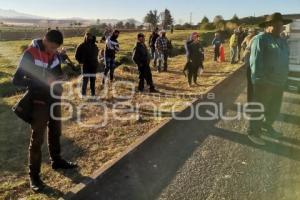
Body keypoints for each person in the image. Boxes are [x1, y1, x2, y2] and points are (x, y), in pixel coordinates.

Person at [12, 30, 78, 192]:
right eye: (51, 48)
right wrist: (40, 82)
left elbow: (57, 74)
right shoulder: (30, 54)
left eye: (56, 49)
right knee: (37, 139)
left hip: (55, 97)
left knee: (56, 131)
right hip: (39, 101)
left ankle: (57, 160)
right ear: (45, 40)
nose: (53, 52)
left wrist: (60, 79)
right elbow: (17, 80)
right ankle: (34, 176)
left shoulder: (55, 55)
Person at [247, 12, 292, 145]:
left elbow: (285, 60)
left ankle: (267, 126)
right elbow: (255, 61)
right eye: (277, 25)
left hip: (279, 82)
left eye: (281, 25)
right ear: (268, 26)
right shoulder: (260, 39)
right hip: (265, 83)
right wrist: (259, 81)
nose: (280, 27)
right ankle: (253, 132)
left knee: (274, 108)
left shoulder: (281, 40)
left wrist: (285, 78)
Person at [241, 28, 257, 102]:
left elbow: (242, 45)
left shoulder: (247, 38)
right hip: (255, 62)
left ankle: (250, 101)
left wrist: (244, 52)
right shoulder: (257, 38)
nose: (250, 33)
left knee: (250, 83)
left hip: (249, 62)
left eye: (250, 32)